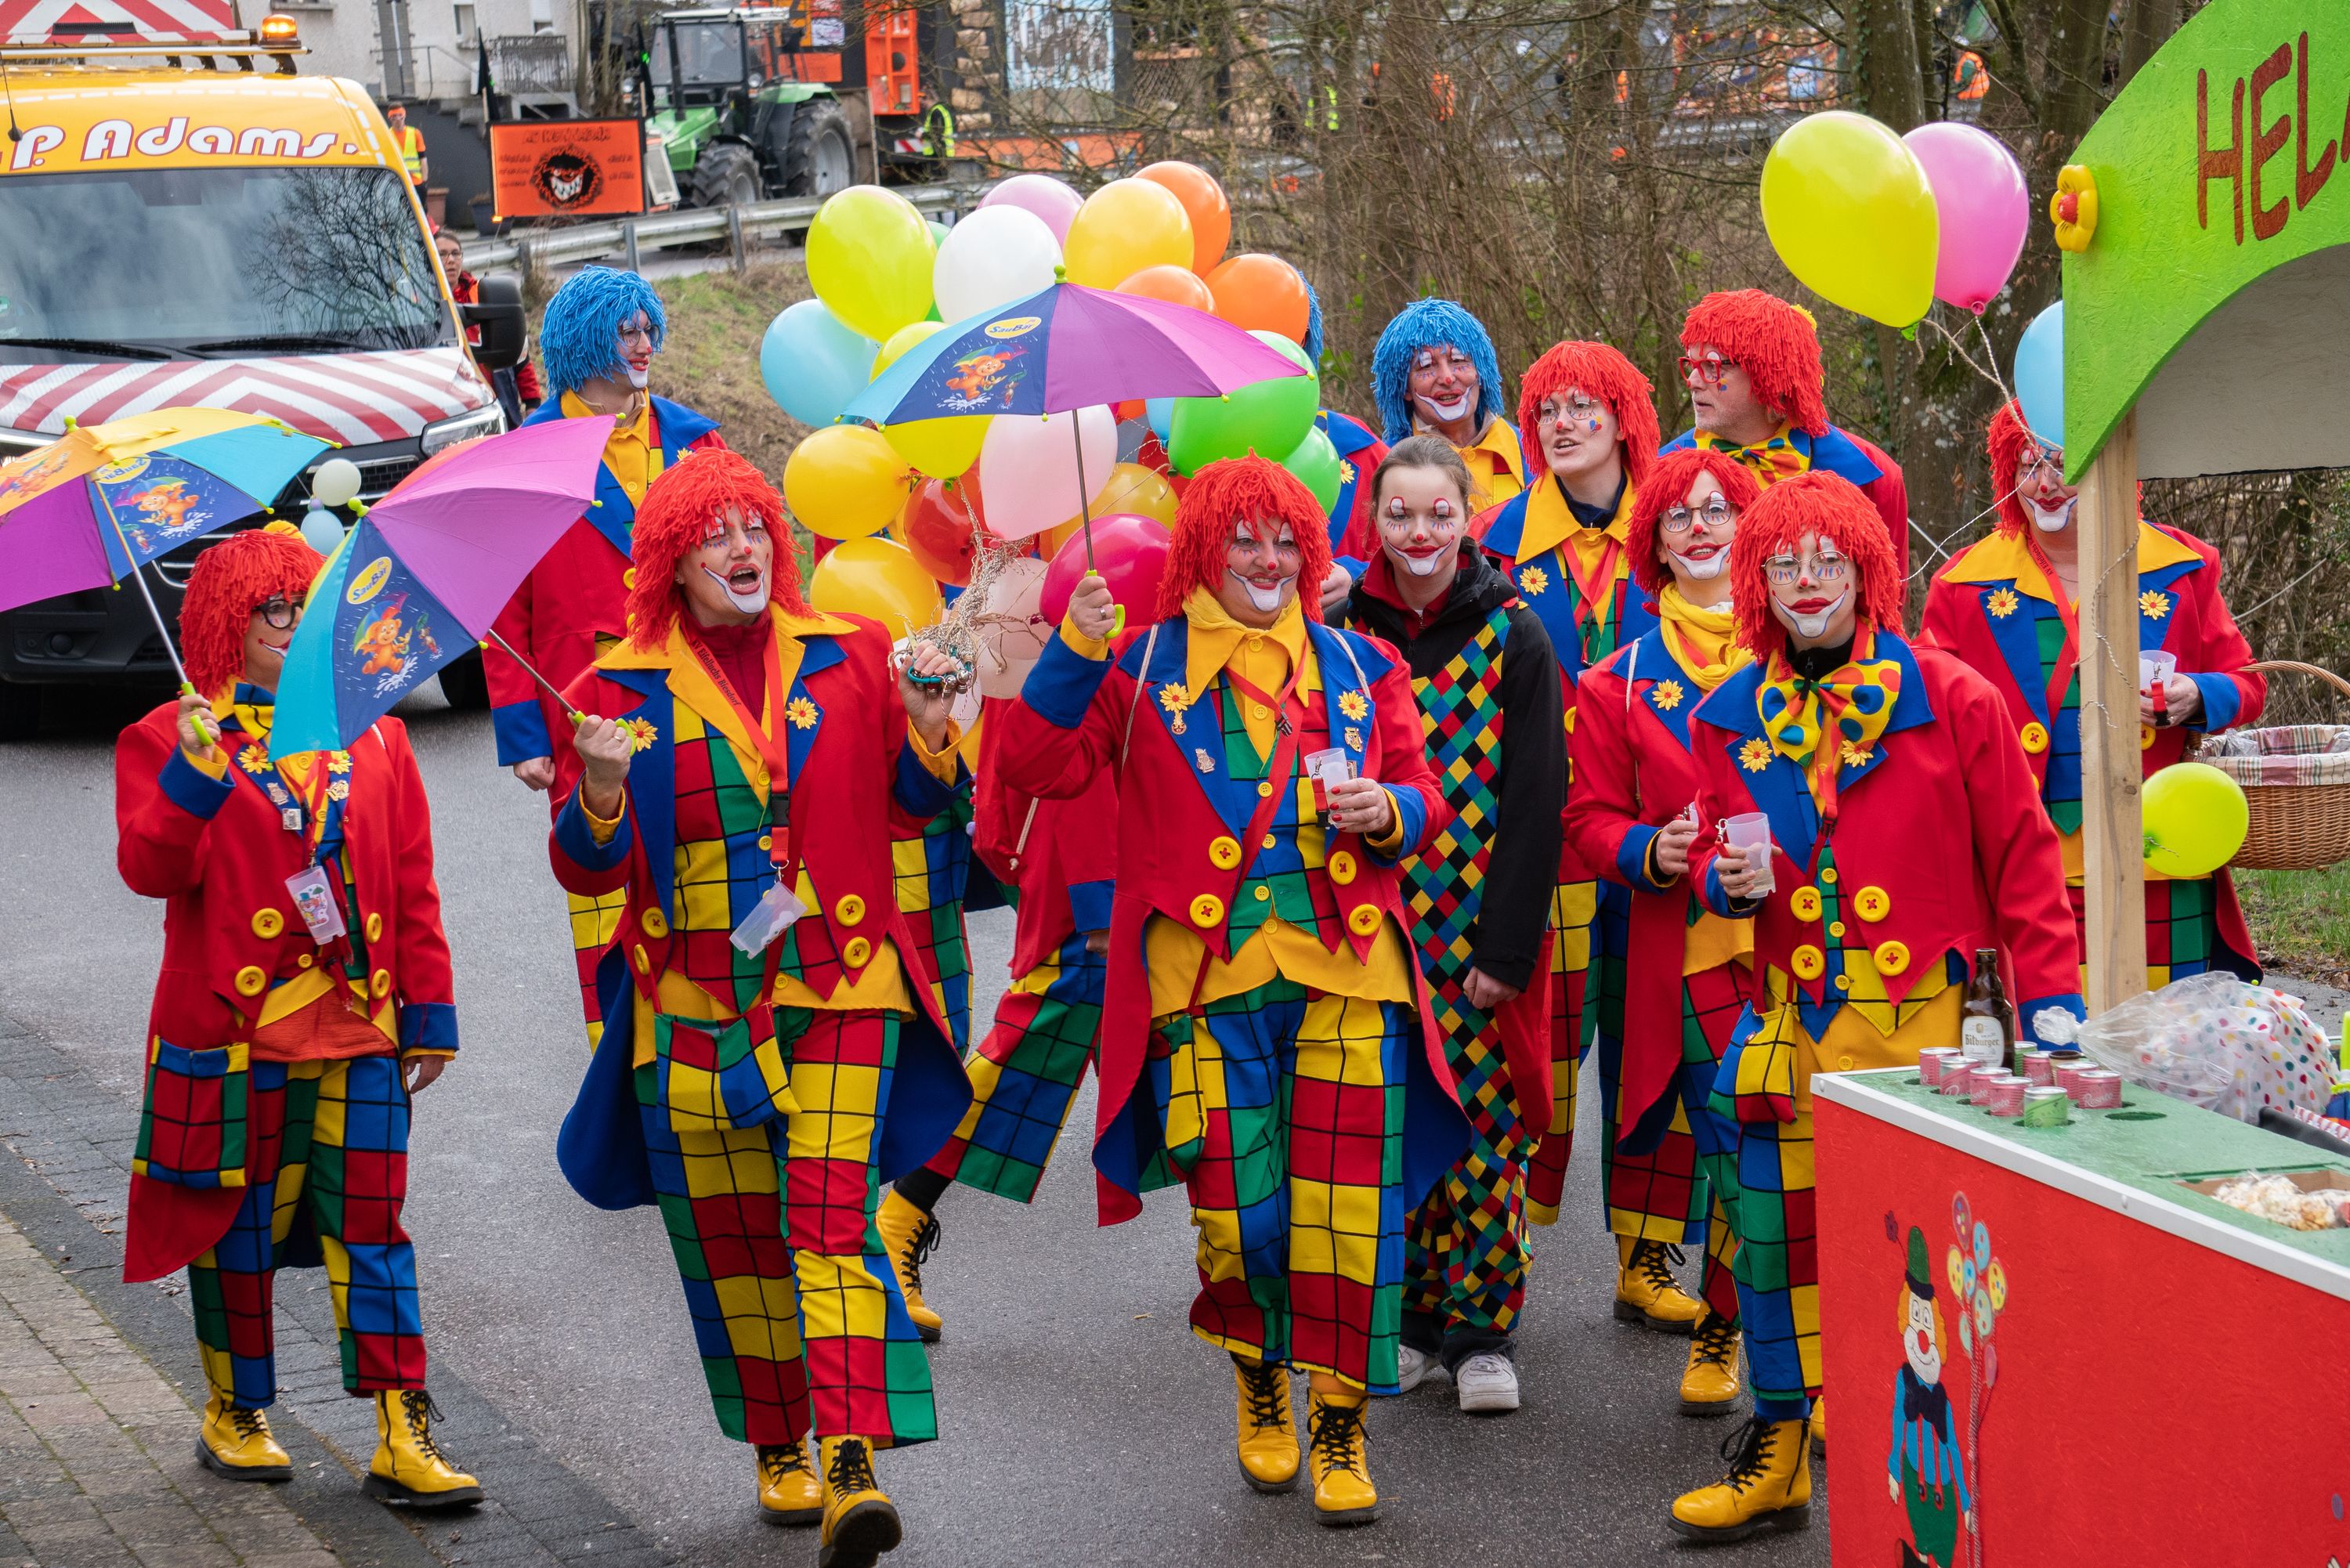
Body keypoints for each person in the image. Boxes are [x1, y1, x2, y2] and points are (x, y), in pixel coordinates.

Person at [997, 454, 1465, 1526]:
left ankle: (1341, 1420)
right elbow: (1032, 765)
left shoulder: (1358, 663)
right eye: (1243, 539)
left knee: (1351, 1217)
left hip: (1351, 972)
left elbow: (1424, 794)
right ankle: (1260, 1370)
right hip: (1203, 984)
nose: (1266, 559)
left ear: (1311, 551)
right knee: (1242, 1222)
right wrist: (1073, 652)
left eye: (1286, 540)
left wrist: (1388, 812)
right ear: (1203, 547)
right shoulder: (1139, 661)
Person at [544, 452, 972, 1565]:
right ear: (672, 562)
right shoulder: (613, 692)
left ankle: (850, 1465)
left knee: (828, 1227)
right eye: (713, 535)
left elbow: (913, 803)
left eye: (755, 529)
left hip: (842, 983)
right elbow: (591, 875)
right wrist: (594, 794)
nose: (742, 549)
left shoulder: (848, 654)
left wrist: (930, 729)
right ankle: (778, 1440)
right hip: (694, 1004)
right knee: (733, 1241)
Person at [1668, 472, 2081, 1543]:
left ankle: (1935, 1472)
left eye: (1830, 561)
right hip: (1795, 1027)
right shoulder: (1724, 718)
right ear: (1757, 582)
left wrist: (2054, 1022)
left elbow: (2029, 870)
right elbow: (1722, 854)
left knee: (1921, 1266)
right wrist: (1723, 882)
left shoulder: (1955, 700)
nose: (1808, 582)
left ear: (1868, 573)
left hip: (1926, 1036)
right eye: (1785, 563)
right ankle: (1782, 1448)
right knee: (1772, 1244)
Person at [114, 524, 478, 1507]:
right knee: (235, 1233)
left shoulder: (378, 734)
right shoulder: (167, 737)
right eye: (275, 607)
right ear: (231, 621)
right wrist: (191, 775)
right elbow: (151, 870)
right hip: (234, 1041)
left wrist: (430, 1012)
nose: (294, 622)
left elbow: (410, 884)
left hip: (358, 1031)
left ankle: (403, 1428)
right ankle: (236, 1410)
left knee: (375, 1229)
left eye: (307, 603)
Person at [1477, 339, 1701, 1331]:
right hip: (1547, 845)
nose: (1563, 424)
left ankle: (1646, 1254)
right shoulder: (1494, 542)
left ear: (1623, 416)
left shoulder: (1686, 524)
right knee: (1539, 1058)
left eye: (1583, 406)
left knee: (1655, 1050)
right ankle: (1504, 1252)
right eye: (1547, 410)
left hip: (1659, 838)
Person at [1342, 435, 1564, 1414]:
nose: (1420, 533)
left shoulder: (1517, 633)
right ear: (1375, 521)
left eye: (1439, 513)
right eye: (1400, 515)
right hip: (1371, 924)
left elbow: (1536, 799)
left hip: (1476, 925)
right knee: (1391, 1120)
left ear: (1470, 515)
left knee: (1485, 1126)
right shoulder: (1342, 628)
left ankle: (1482, 1329)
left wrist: (1507, 948)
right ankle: (1412, 1322)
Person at [1922, 400, 2266, 988]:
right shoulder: (1961, 585)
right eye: (2028, 465)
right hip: (2026, 868)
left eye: (2063, 464)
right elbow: (1926, 718)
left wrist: (2198, 695)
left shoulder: (2180, 567)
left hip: (2159, 860)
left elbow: (2248, 684)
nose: (2046, 484)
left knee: (2163, 1047)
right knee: (2049, 1047)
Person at [1564, 448, 1763, 1418]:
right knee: (1726, 1140)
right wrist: (1652, 845)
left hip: (1793, 945)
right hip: (1686, 951)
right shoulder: (1617, 680)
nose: (1700, 526)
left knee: (1780, 1140)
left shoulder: (1808, 652)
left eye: (1719, 508)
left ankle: (1761, 1321)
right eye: (1679, 514)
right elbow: (1588, 821)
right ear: (1654, 540)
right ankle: (1726, 1326)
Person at [486, 265, 725, 1043]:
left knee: (708, 861)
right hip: (585, 705)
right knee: (603, 871)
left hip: (701, 692)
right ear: (584, 341)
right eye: (628, 330)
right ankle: (620, 1059)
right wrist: (522, 735)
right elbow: (502, 604)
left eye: (649, 326)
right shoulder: (528, 454)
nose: (646, 343)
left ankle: (716, 1042)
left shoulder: (696, 442)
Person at [874, 709, 1119, 1342]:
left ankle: (1264, 1273)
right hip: (1097, 830)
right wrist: (1097, 896)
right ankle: (900, 1214)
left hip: (1189, 828)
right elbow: (1067, 705)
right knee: (1051, 1017)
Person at [1662, 290, 1910, 581]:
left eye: (1713, 367)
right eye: (1691, 365)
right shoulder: (1660, 472)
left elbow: (1886, 602)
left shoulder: (1874, 476)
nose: (1692, 382)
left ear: (1769, 374)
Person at [1368, 298, 1524, 516]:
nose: (1448, 378)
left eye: (1459, 361)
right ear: (1404, 387)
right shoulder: (1383, 465)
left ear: (1481, 372)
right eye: (1426, 366)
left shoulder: (1529, 451)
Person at [434, 226, 544, 428]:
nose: (450, 260)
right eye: (442, 254)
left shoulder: (485, 295)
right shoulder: (418, 303)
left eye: (455, 254)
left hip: (498, 400)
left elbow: (518, 351)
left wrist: (532, 402)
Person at [387, 103, 427, 189]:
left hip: (416, 182)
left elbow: (422, 158)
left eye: (400, 115)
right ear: (390, 118)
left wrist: (424, 180)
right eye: (394, 116)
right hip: (396, 183)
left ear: (404, 116)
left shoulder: (415, 133)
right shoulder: (387, 136)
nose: (398, 119)